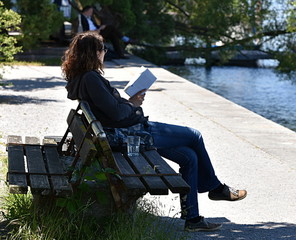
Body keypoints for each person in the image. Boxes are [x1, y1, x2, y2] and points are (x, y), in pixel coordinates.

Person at [61, 31, 247, 232]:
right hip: (131, 134)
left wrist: (129, 102)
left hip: (124, 131)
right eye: (103, 49)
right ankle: (216, 188)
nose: (105, 53)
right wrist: (132, 105)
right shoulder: (91, 78)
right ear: (94, 53)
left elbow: (111, 109)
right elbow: (116, 114)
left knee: (190, 157)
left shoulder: (83, 77)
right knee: (195, 136)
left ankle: (193, 219)